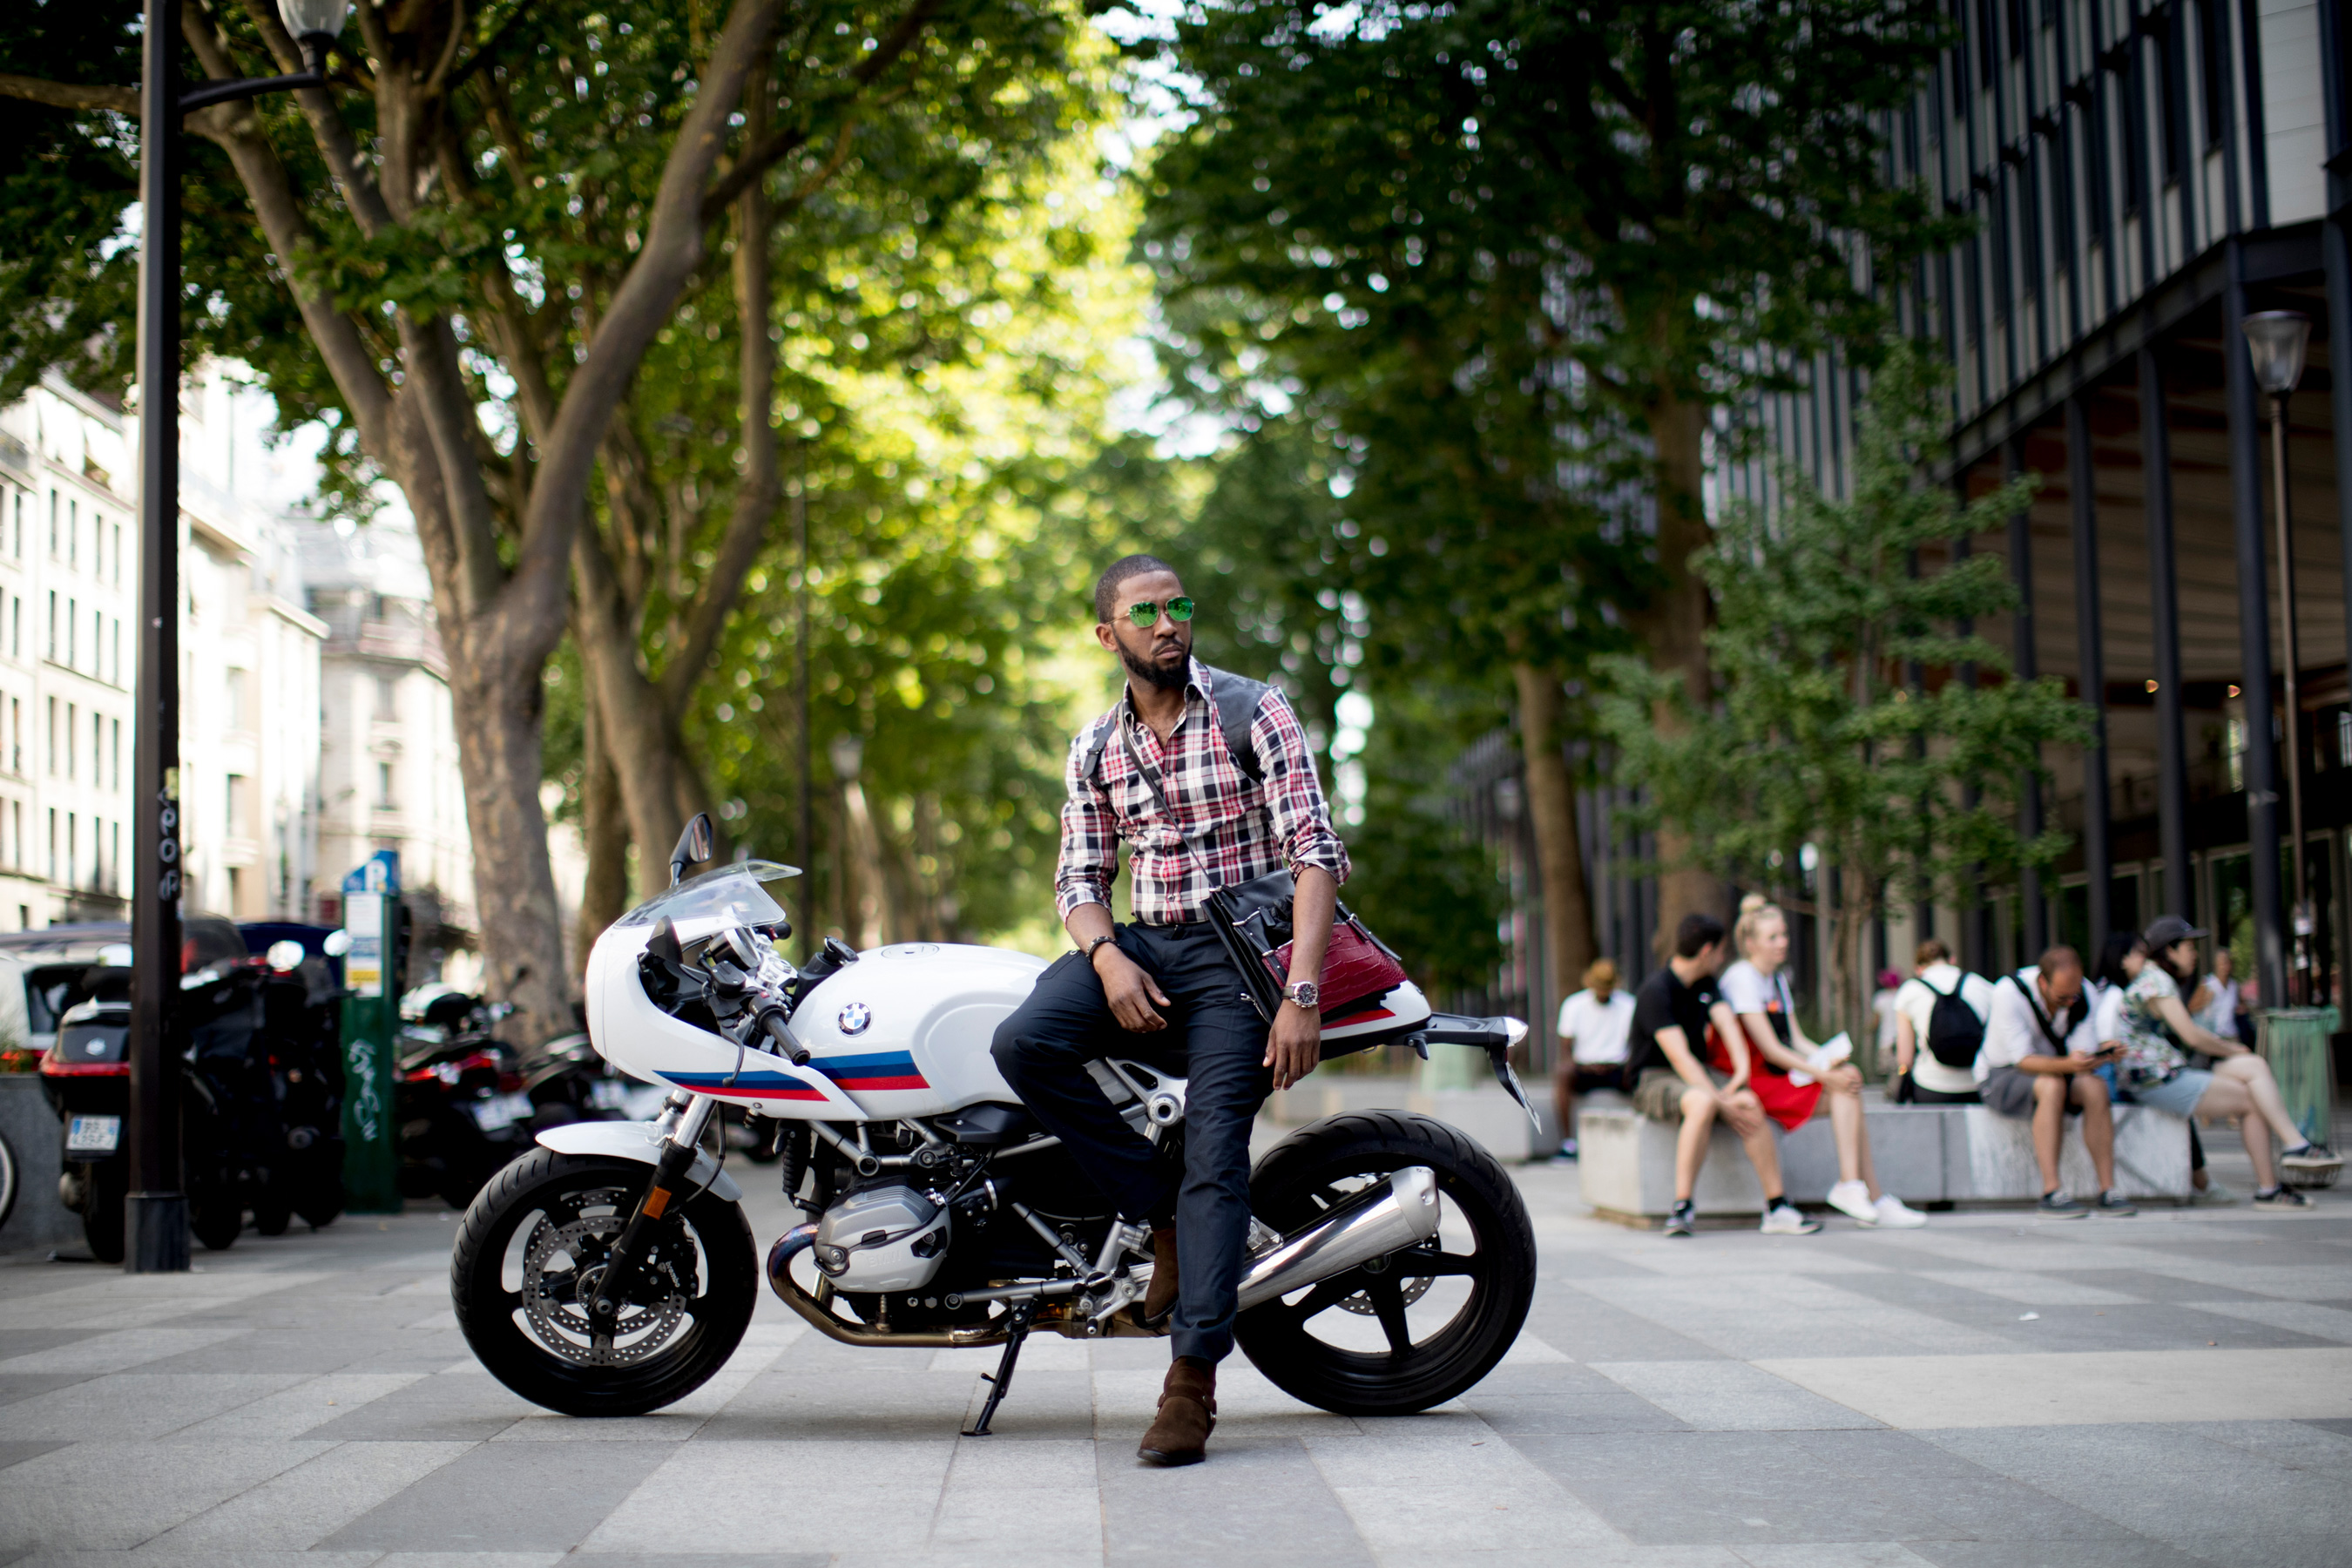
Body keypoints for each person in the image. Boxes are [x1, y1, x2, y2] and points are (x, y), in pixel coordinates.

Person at [990, 554, 1350, 1466]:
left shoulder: (1251, 710)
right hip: (1145, 946)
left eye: (1177, 606)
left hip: (1241, 959)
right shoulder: (1095, 747)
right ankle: (1162, 1219)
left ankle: (1191, 1383)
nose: (1167, 624)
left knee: (1216, 1152)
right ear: (1107, 634)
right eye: (1145, 612)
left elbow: (1315, 852)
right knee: (1024, 1042)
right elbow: (1078, 878)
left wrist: (1301, 993)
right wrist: (1106, 955)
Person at [1716, 896, 1926, 1227]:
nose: (1782, 942)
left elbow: (1796, 1039)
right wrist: (1824, 1075)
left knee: (1848, 1078)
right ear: (1751, 943)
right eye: (1773, 937)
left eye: (1784, 934)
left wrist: (1830, 1062)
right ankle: (1859, 1189)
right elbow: (1770, 1050)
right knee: (1843, 1085)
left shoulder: (1777, 979)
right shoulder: (1741, 978)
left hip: (1777, 1072)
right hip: (1752, 1077)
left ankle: (1862, 1190)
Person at [2117, 915, 2336, 1209]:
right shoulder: (2157, 982)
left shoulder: (2154, 979)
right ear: (2169, 950)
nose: (2195, 954)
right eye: (2188, 947)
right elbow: (2191, 1035)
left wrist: (2233, 1051)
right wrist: (2232, 1049)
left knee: (2254, 1066)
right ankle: (2274, 1180)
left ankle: (2294, 1147)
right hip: (2154, 1080)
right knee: (2251, 1099)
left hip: (2166, 1071)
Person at [1625, 911, 1820, 1239]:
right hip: (1655, 1077)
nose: (1722, 957)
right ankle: (1682, 1207)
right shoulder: (1655, 991)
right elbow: (1680, 1058)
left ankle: (1777, 1207)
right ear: (1706, 951)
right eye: (1720, 951)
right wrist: (1720, 1102)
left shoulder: (1706, 984)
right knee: (1702, 1103)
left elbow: (1728, 1026)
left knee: (1749, 1102)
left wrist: (1740, 1075)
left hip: (1698, 1073)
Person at [1980, 946, 2135, 1218]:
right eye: (2062, 997)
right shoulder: (2009, 992)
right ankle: (2051, 1191)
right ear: (2043, 982)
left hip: (2059, 1071)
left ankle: (2108, 1190)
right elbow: (2022, 1060)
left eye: (2074, 996)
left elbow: (2080, 1056)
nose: (2070, 1003)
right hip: (2002, 1075)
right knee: (2051, 1085)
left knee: (2095, 1087)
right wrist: (2071, 1064)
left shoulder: (2084, 993)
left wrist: (2101, 1055)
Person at [1552, 956, 1636, 1161]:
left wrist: (1629, 1064)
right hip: (1585, 1068)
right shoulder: (1574, 1004)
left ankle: (1640, 1136)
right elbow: (1566, 1045)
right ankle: (1568, 1143)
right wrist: (1575, 1064)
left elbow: (1635, 1043)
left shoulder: (1628, 1004)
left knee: (1641, 1075)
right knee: (1562, 1074)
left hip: (1617, 1068)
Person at [1892, 938, 1991, 1106]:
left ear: (1918, 968)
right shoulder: (1980, 984)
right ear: (1952, 959)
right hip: (1979, 1085)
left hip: (1930, 1085)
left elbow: (1905, 1060)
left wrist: (1901, 1075)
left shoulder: (1909, 991)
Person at [2193, 949, 2240, 1040]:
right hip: (2212, 1036)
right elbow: (2191, 1008)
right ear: (2216, 965)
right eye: (2222, 963)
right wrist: (2205, 1001)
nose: (2225, 966)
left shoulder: (2234, 985)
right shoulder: (2207, 983)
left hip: (2231, 1035)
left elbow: (2236, 1008)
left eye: (2227, 962)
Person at [1871, 968, 1904, 1078]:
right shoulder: (1902, 995)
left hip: (1885, 1039)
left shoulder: (1880, 998)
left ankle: (1888, 1086)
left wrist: (1869, 1029)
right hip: (1901, 1039)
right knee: (1900, 1068)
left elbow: (1876, 1021)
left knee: (1886, 1070)